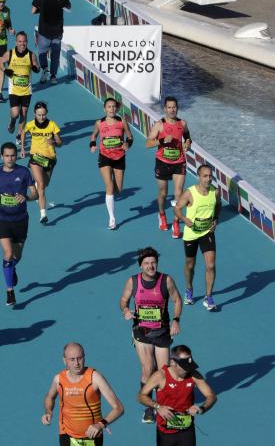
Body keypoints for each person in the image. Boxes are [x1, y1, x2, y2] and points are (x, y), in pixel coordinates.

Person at [119, 247, 183, 424]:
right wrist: (125, 310)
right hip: (142, 332)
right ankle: (150, 408)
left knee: (163, 372)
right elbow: (123, 300)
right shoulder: (133, 282)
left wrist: (176, 320)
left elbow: (177, 300)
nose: (150, 266)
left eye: (153, 262)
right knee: (148, 369)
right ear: (141, 266)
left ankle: (165, 406)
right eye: (146, 263)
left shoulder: (166, 280)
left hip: (162, 331)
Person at [0, 142, 38, 306]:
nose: (10, 158)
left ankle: (11, 269)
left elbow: (35, 194)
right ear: (2, 156)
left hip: (21, 220)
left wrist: (26, 197)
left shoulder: (24, 172)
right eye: (7, 156)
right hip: (2, 219)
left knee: (17, 256)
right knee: (8, 253)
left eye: (13, 155)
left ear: (16, 155)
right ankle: (10, 291)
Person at [41, 342, 125, 445]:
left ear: (84, 358)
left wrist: (100, 425)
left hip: (92, 437)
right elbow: (50, 397)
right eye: (72, 359)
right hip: (66, 434)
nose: (76, 363)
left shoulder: (95, 378)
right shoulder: (58, 379)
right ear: (64, 360)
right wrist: (48, 411)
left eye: (79, 358)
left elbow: (119, 408)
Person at [139, 345, 217, 445]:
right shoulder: (160, 376)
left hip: (187, 430)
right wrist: (158, 407)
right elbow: (141, 396)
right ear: (172, 362)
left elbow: (211, 396)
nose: (188, 369)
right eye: (184, 366)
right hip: (165, 432)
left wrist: (202, 408)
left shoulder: (194, 375)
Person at [174, 164, 220, 311]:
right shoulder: (190, 193)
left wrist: (216, 219)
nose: (208, 179)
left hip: (207, 233)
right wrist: (183, 219)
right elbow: (177, 208)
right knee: (190, 265)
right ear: (199, 177)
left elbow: (218, 205)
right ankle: (189, 288)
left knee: (211, 265)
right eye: (205, 176)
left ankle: (208, 297)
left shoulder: (215, 192)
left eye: (210, 176)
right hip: (191, 234)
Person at [146, 96, 191, 238]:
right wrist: (162, 141)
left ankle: (176, 223)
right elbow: (147, 143)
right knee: (163, 193)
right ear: (165, 109)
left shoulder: (182, 123)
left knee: (178, 193)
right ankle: (162, 214)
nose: (172, 110)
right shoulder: (159, 125)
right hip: (162, 162)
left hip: (179, 162)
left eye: (174, 107)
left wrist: (188, 143)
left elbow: (187, 136)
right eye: (169, 107)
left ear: (177, 108)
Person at [89, 97, 133, 230]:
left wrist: (127, 144)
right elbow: (93, 137)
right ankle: (112, 219)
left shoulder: (122, 122)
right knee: (109, 186)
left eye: (114, 107)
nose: (112, 109)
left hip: (119, 157)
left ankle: (110, 196)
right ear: (104, 109)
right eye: (109, 107)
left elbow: (130, 137)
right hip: (104, 157)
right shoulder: (99, 123)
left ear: (117, 108)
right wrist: (92, 145)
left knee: (118, 189)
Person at [20, 101, 61, 225]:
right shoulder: (30, 124)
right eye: (39, 115)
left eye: (43, 115)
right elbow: (23, 132)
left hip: (50, 159)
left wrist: (54, 141)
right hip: (36, 158)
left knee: (45, 184)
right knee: (41, 185)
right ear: (34, 114)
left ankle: (37, 191)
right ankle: (43, 214)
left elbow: (60, 143)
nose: (41, 117)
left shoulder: (52, 125)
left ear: (46, 113)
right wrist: (22, 148)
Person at [32, 0, 71, 85]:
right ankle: (53, 76)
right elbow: (69, 9)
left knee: (42, 52)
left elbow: (33, 11)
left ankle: (44, 69)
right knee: (55, 54)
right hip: (57, 31)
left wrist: (42, 9)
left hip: (44, 31)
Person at [1, 31, 40, 137]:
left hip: (26, 90)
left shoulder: (31, 55)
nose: (22, 44)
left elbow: (38, 67)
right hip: (14, 90)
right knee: (15, 113)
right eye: (20, 41)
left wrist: (35, 68)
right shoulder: (10, 53)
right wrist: (5, 70)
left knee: (24, 112)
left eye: (24, 42)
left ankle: (19, 134)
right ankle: (12, 121)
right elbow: (0, 61)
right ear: (16, 42)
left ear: (27, 42)